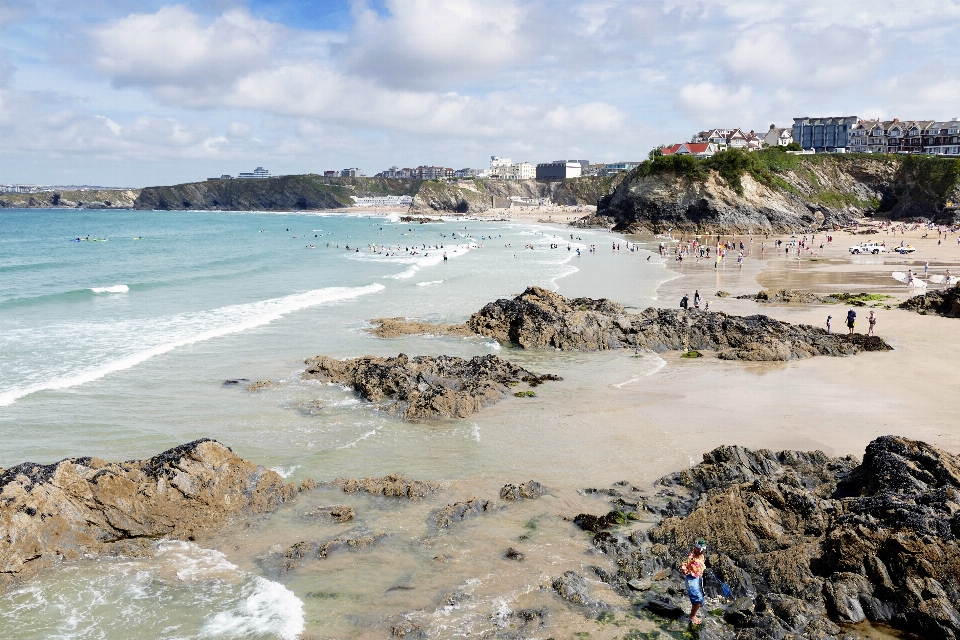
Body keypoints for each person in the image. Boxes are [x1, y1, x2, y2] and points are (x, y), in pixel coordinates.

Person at [681, 540, 708, 625]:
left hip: (698, 578)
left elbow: (702, 563)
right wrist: (685, 570)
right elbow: (683, 565)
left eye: (703, 550)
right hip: (691, 580)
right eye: (700, 550)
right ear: (696, 548)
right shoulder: (691, 557)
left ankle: (694, 613)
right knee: (697, 600)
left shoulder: (701, 556)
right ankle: (692, 616)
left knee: (701, 597)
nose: (702, 551)